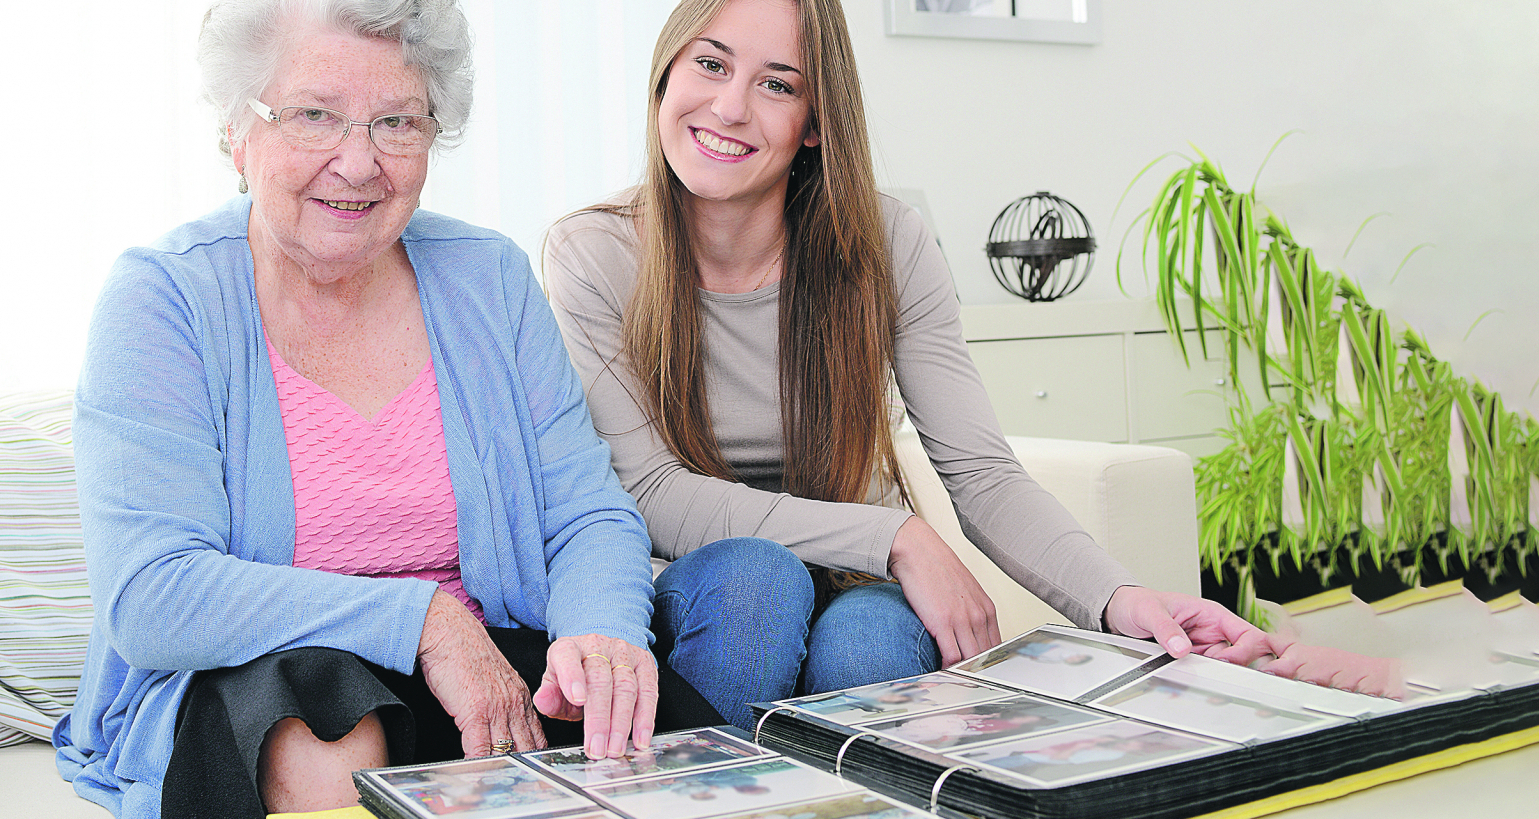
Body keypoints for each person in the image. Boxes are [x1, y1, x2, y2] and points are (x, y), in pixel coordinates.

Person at [543, 0, 1285, 731]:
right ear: (665, 75)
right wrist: (894, 536)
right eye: (710, 64)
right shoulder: (594, 253)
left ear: (814, 123)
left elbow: (981, 473)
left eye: (778, 84)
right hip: (700, 586)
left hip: (856, 586)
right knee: (756, 582)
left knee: (867, 644)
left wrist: (1124, 599)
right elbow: (649, 493)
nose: (730, 106)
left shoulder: (887, 245)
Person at [52, 2, 716, 817]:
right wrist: (424, 621)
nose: (359, 161)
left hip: (488, 671)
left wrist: (601, 633)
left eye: (397, 122)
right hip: (256, 687)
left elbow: (584, 512)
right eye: (313, 116)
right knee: (323, 711)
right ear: (237, 130)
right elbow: (152, 594)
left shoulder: (490, 278)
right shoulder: (164, 297)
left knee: (654, 736)